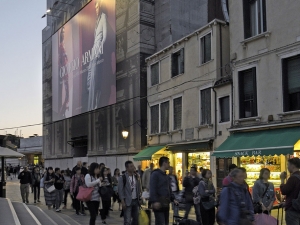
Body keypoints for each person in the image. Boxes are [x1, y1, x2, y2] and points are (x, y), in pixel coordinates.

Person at [150, 157, 178, 225]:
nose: (169, 164)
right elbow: (153, 188)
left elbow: (169, 188)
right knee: (160, 222)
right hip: (159, 203)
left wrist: (173, 198)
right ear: (164, 163)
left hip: (165, 203)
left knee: (165, 222)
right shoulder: (155, 174)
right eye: (168, 163)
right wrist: (155, 201)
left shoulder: (166, 175)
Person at [118, 161, 141, 225]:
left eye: (133, 166)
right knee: (127, 220)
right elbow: (120, 190)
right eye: (131, 166)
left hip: (136, 200)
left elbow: (138, 188)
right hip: (127, 201)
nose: (133, 167)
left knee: (136, 219)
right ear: (127, 168)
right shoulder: (123, 177)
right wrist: (122, 201)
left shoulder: (136, 176)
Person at [280, 157, 300, 225]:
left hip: (292, 209)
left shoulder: (293, 178)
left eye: (288, 165)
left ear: (293, 166)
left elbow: (284, 191)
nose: (287, 167)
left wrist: (282, 180)